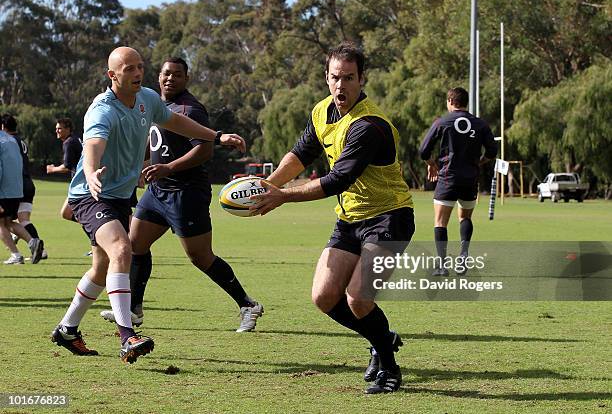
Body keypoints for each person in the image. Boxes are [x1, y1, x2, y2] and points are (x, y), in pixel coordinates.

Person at [50, 47, 246, 364]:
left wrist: (217, 136)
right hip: (92, 194)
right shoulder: (102, 110)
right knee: (122, 250)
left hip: (119, 197)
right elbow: (93, 146)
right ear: (112, 75)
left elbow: (176, 122)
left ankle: (67, 329)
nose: (137, 72)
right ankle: (128, 336)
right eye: (129, 68)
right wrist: (91, 172)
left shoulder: (147, 99)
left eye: (140, 66)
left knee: (102, 268)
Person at [250, 42, 413, 394]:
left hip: (390, 217)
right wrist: (267, 185)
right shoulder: (322, 112)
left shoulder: (369, 125)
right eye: (335, 78)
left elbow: (338, 179)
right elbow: (299, 156)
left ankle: (389, 366)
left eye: (349, 78)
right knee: (324, 297)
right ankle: (382, 337)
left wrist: (282, 197)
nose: (341, 86)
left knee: (358, 299)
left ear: (362, 79)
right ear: (326, 78)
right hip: (350, 219)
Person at [99, 57, 264, 332]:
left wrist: (168, 168)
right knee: (135, 245)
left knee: (200, 257)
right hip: (158, 191)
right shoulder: (151, 103)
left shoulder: (191, 108)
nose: (170, 79)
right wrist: (143, 167)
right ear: (158, 76)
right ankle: (134, 308)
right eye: (166, 74)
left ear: (186, 79)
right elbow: (155, 144)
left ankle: (248, 304)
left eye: (177, 75)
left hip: (186, 193)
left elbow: (205, 149)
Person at [418, 87, 497, 276]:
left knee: (440, 222)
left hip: (448, 178)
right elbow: (493, 151)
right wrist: (480, 162)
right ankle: (462, 258)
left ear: (450, 102)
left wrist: (432, 164)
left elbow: (423, 151)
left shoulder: (442, 122)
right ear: (466, 103)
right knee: (465, 218)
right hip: (470, 179)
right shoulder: (480, 124)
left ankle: (442, 265)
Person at [1, 114, 45, 263]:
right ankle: (33, 243)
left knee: (3, 222)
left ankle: (17, 254)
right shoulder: (16, 141)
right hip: (21, 186)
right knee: (10, 222)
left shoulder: (4, 141)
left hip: (7, 187)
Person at [46, 117, 83, 221]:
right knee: (68, 213)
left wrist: (52, 169)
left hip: (81, 184)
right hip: (83, 182)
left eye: (60, 128)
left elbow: (67, 167)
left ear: (68, 129)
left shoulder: (69, 142)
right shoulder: (75, 139)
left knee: (66, 213)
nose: (57, 131)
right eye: (56, 128)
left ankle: (97, 229)